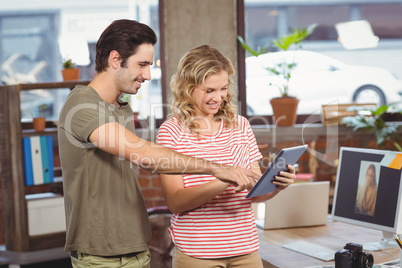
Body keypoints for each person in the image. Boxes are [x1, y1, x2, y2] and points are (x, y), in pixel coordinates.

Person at [57, 20, 259, 268]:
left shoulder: (120, 108)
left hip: (134, 247)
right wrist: (218, 169)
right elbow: (142, 153)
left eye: (149, 65)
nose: (148, 75)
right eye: (142, 64)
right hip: (101, 254)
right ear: (115, 59)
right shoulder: (82, 105)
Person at [156, 45, 296, 268]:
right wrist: (222, 178)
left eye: (222, 88)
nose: (218, 97)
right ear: (186, 87)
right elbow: (175, 203)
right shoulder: (171, 132)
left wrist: (276, 185)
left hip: (246, 249)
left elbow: (255, 193)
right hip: (197, 253)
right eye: (209, 90)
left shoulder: (240, 125)